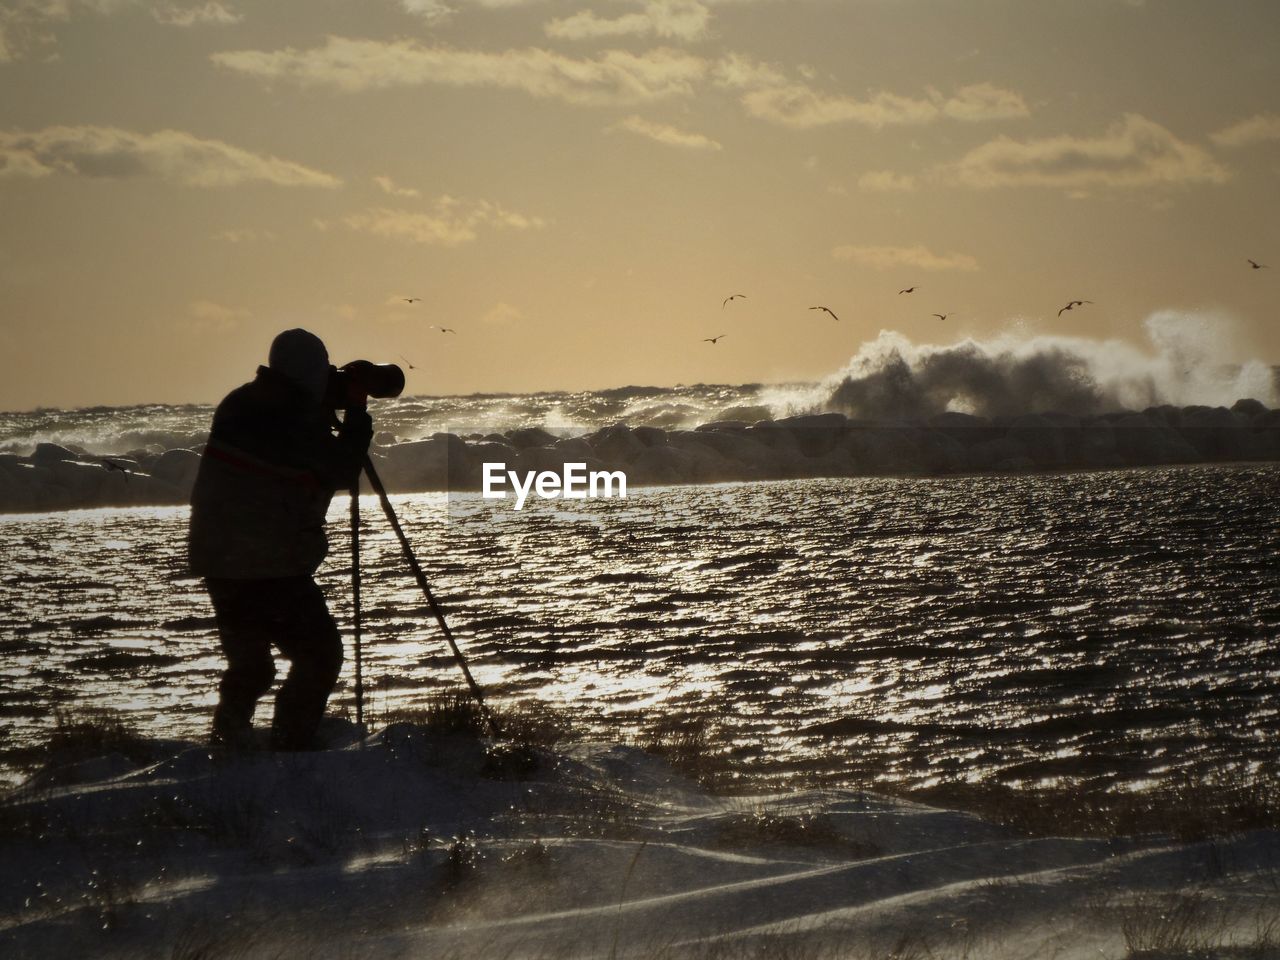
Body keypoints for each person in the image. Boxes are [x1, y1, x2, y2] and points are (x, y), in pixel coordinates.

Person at [188, 329, 373, 750]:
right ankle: (292, 747)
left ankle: (226, 745)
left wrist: (324, 407)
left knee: (252, 667)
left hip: (219, 561)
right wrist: (357, 414)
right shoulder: (293, 417)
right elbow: (341, 469)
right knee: (320, 655)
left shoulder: (241, 403)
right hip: (267, 564)